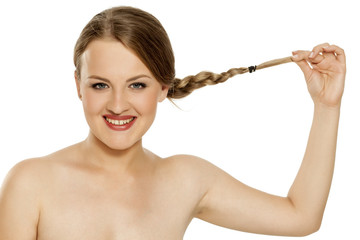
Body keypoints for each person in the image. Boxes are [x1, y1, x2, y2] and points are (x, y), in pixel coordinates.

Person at [0, 6, 346, 240]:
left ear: (163, 87)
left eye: (137, 84)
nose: (118, 105)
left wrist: (326, 107)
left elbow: (301, 217)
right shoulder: (31, 183)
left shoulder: (185, 179)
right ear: (78, 85)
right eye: (100, 85)